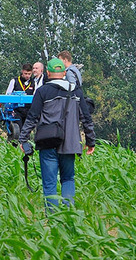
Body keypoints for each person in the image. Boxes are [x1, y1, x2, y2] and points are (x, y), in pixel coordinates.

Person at [19, 58, 95, 213]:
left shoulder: (42, 91)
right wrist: (90, 141)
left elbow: (32, 117)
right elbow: (86, 118)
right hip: (70, 143)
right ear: (64, 73)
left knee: (49, 183)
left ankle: (53, 219)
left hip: (48, 142)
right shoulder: (76, 91)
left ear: (47, 73)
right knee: (68, 178)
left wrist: (23, 139)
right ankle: (68, 215)